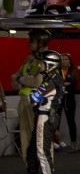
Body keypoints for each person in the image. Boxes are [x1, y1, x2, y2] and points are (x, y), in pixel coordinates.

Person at [15, 50, 64, 174]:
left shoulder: (52, 81)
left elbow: (33, 99)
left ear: (50, 65)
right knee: (32, 150)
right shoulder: (53, 78)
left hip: (45, 117)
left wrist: (32, 93)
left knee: (42, 151)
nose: (40, 65)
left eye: (42, 63)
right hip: (43, 116)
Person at [11, 29, 50, 165]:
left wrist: (22, 80)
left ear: (41, 42)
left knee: (40, 138)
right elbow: (14, 77)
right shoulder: (30, 58)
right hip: (24, 100)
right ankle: (30, 173)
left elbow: (37, 82)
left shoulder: (47, 59)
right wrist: (21, 79)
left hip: (37, 102)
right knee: (25, 137)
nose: (29, 43)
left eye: (32, 41)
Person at [54, 52, 77, 151]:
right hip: (58, 99)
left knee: (71, 121)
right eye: (62, 59)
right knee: (56, 121)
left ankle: (73, 144)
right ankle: (57, 143)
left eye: (66, 59)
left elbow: (74, 83)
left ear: (69, 61)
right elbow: (55, 83)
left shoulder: (73, 71)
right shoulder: (57, 71)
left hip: (70, 99)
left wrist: (62, 84)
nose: (64, 61)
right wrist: (65, 84)